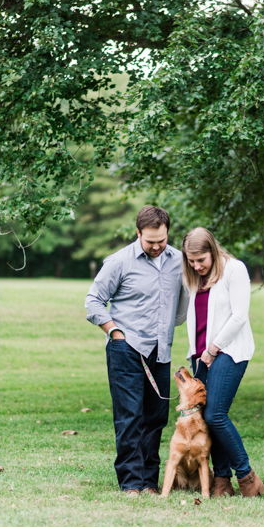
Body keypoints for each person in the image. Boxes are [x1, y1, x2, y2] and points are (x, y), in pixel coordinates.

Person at [85, 206, 188, 496]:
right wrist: (115, 333)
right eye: (150, 241)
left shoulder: (179, 261)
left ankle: (149, 482)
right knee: (129, 416)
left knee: (156, 418)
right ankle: (130, 483)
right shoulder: (119, 262)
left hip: (161, 350)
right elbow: (93, 301)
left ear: (168, 233)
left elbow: (185, 300)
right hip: (126, 349)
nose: (156, 247)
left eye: (162, 240)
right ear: (138, 233)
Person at [181, 227, 264, 497]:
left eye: (201, 260)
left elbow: (239, 316)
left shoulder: (234, 269)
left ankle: (247, 477)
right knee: (206, 416)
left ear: (213, 252)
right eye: (191, 261)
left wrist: (213, 348)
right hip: (201, 355)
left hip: (228, 351)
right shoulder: (194, 276)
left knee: (216, 414)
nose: (196, 266)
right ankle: (221, 481)